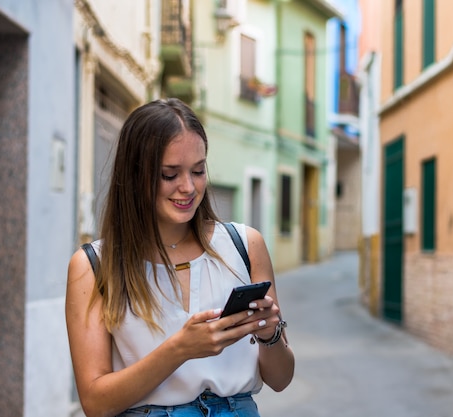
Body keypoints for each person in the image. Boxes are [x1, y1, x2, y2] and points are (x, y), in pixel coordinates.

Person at [65, 98, 294, 417]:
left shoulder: (245, 244)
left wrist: (271, 335)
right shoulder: (93, 266)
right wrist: (179, 350)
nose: (188, 187)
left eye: (198, 171)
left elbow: (281, 379)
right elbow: (95, 403)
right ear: (134, 176)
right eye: (169, 174)